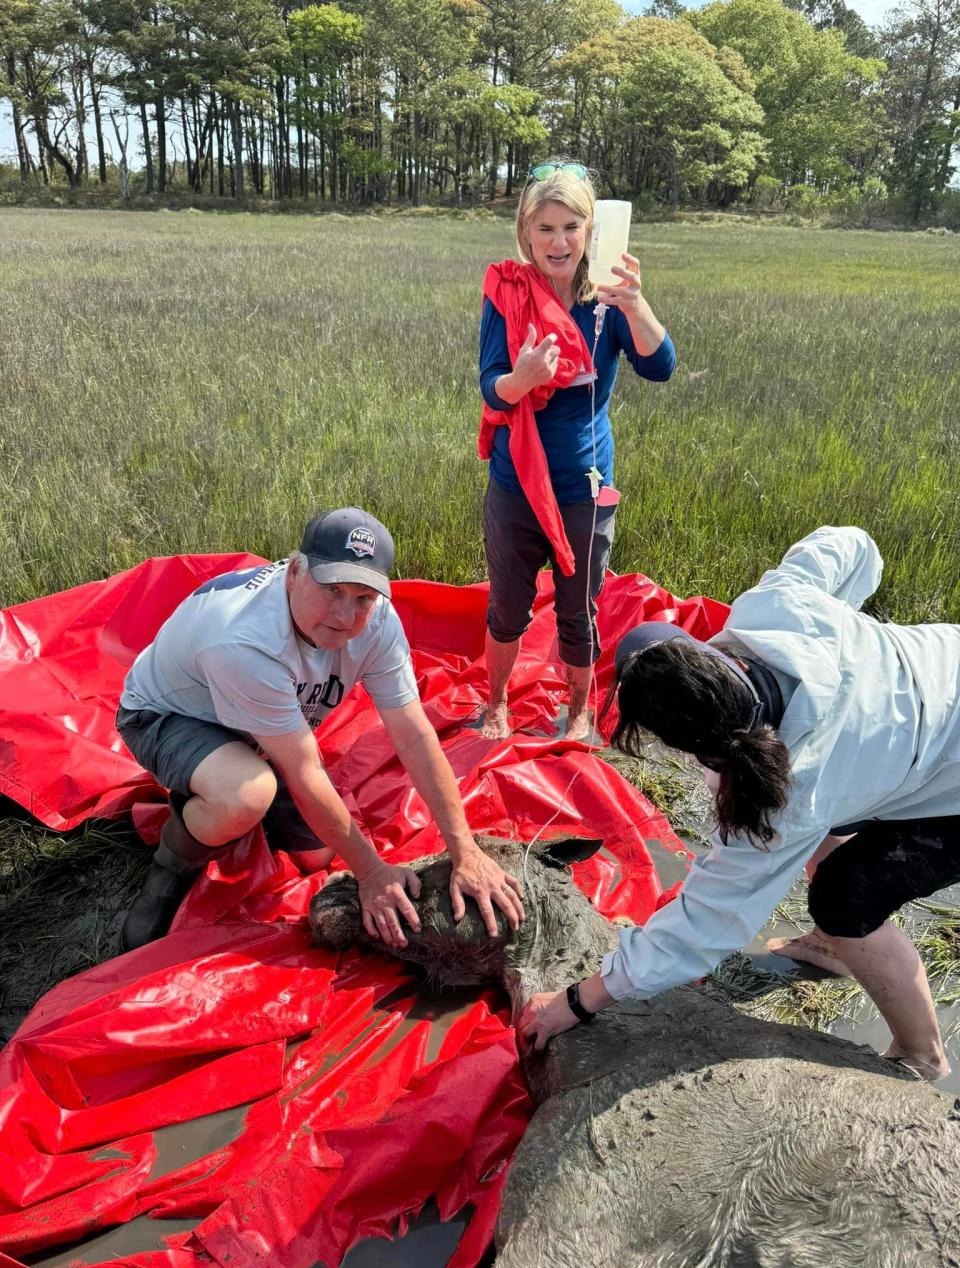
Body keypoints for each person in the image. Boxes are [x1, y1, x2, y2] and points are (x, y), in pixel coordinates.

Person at [520, 525, 960, 1082]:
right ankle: (829, 948)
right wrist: (841, 623)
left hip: (945, 765)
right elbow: (853, 543)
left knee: (846, 900)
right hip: (919, 705)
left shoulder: (788, 801)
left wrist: (578, 1001)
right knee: (828, 829)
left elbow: (708, 922)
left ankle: (923, 1053)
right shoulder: (783, 602)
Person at [116, 507, 523, 952]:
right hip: (174, 714)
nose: (345, 615)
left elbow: (413, 734)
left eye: (362, 597)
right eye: (332, 590)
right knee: (245, 795)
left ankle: (246, 778)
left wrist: (464, 850)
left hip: (261, 727)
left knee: (317, 857)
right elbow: (306, 769)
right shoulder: (244, 642)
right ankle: (172, 863)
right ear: (294, 573)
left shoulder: (379, 621)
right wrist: (371, 874)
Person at [478, 160, 675, 742]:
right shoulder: (508, 293)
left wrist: (636, 304)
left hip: (585, 489)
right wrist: (523, 377)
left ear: (590, 232)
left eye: (571, 227)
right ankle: (494, 705)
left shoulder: (608, 302)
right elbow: (491, 383)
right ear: (526, 233)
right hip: (516, 483)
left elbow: (659, 367)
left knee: (578, 610)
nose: (558, 242)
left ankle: (581, 711)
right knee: (507, 607)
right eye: (545, 228)